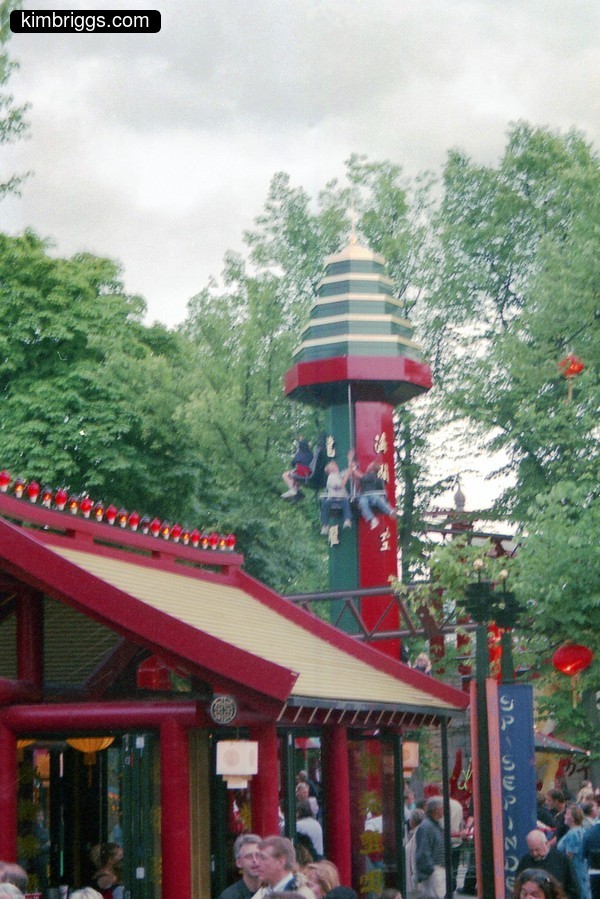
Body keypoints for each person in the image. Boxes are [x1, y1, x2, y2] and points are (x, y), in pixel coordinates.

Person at [515, 830, 581, 899]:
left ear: (546, 844)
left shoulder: (561, 860)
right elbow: (518, 886)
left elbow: (573, 888)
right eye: (531, 850)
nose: (534, 854)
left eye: (537, 850)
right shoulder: (525, 862)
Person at [351, 459, 397, 530]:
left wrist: (353, 468)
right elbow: (358, 484)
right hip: (364, 496)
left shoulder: (372, 475)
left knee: (377, 498)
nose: (368, 466)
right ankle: (372, 519)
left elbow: (359, 475)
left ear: (372, 468)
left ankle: (390, 511)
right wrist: (354, 478)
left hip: (372, 494)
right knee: (362, 502)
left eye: (369, 465)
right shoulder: (366, 476)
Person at [415, 796, 445, 899]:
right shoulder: (427, 826)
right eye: (442, 807)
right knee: (436, 895)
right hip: (435, 869)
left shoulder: (433, 825)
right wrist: (430, 869)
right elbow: (423, 850)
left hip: (436, 868)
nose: (444, 810)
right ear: (436, 809)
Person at [558, 806, 590, 899]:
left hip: (575, 870)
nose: (564, 816)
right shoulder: (582, 831)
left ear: (573, 817)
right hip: (582, 868)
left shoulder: (573, 834)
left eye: (567, 814)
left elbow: (569, 856)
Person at [218, 833, 262, 899]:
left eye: (258, 855)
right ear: (238, 863)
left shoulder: (274, 892)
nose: (255, 860)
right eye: (249, 856)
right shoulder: (228, 896)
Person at [319, 456, 354, 534]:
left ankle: (347, 520)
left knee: (345, 502)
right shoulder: (331, 477)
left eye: (335, 465)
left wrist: (350, 461)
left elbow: (348, 471)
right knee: (325, 505)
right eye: (334, 466)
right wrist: (347, 476)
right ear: (330, 470)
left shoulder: (338, 475)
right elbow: (341, 485)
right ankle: (325, 525)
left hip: (341, 498)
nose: (336, 466)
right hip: (333, 499)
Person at [405, 807, 425, 899]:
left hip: (415, 879)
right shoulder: (417, 833)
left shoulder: (418, 834)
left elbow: (415, 857)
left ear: (412, 821)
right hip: (415, 877)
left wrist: (415, 876)